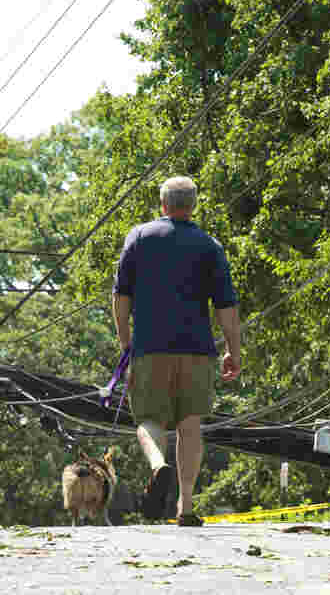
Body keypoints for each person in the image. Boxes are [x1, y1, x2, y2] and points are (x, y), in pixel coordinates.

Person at [112, 176, 241, 526]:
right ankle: (187, 506)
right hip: (198, 349)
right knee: (191, 424)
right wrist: (233, 350)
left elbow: (121, 298)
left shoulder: (139, 237)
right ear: (193, 205)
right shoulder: (209, 245)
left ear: (162, 204)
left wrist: (126, 344)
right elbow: (226, 306)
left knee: (148, 420)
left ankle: (158, 466)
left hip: (150, 346)